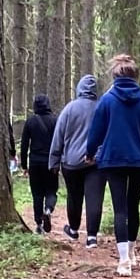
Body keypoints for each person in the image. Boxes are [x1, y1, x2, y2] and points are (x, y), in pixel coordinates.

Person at [84, 54, 140, 277]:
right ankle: (130, 251)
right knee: (133, 207)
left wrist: (90, 154)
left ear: (115, 75)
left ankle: (123, 261)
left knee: (120, 209)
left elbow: (95, 133)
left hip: (113, 161)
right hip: (139, 161)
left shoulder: (107, 100)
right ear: (135, 76)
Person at [48, 75, 100, 240]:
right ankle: (92, 236)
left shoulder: (69, 109)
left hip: (71, 163)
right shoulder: (101, 108)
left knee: (74, 196)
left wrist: (54, 161)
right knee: (94, 198)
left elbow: (58, 136)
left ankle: (74, 229)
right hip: (96, 162)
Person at [20, 94, 58, 233]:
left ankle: (39, 224)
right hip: (50, 163)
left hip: (35, 163)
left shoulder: (30, 122)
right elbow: (60, 142)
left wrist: (24, 165)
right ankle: (48, 209)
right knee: (51, 191)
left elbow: (24, 145)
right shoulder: (55, 121)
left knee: (37, 194)